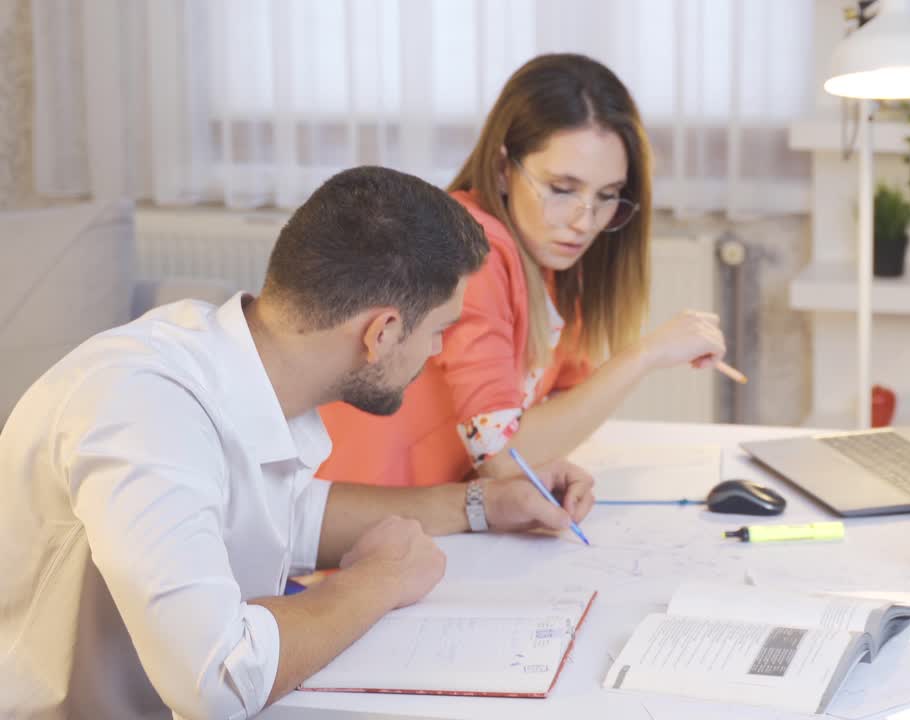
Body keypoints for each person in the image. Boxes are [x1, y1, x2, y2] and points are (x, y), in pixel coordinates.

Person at [0, 166, 595, 720]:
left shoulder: (238, 363)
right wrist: (377, 580)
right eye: (440, 331)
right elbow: (219, 681)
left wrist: (484, 506)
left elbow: (294, 514)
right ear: (382, 332)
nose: (438, 353)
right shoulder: (143, 405)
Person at [319, 53, 727, 488]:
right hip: (360, 519)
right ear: (501, 169)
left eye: (607, 195)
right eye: (562, 189)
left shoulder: (553, 257)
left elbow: (560, 407)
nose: (585, 221)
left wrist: (542, 463)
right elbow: (501, 456)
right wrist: (644, 355)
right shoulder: (473, 251)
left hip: (438, 512)